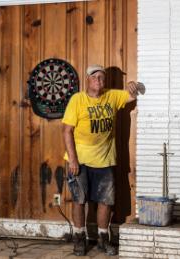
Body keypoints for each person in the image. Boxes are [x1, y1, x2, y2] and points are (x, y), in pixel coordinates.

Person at [62, 64, 139, 256]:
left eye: (102, 78)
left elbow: (133, 95)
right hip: (79, 160)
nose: (99, 81)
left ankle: (103, 240)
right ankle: (79, 239)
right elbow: (66, 130)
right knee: (79, 200)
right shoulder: (77, 100)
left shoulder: (112, 96)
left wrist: (133, 85)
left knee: (106, 201)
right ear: (87, 79)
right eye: (95, 77)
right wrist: (72, 159)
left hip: (104, 160)